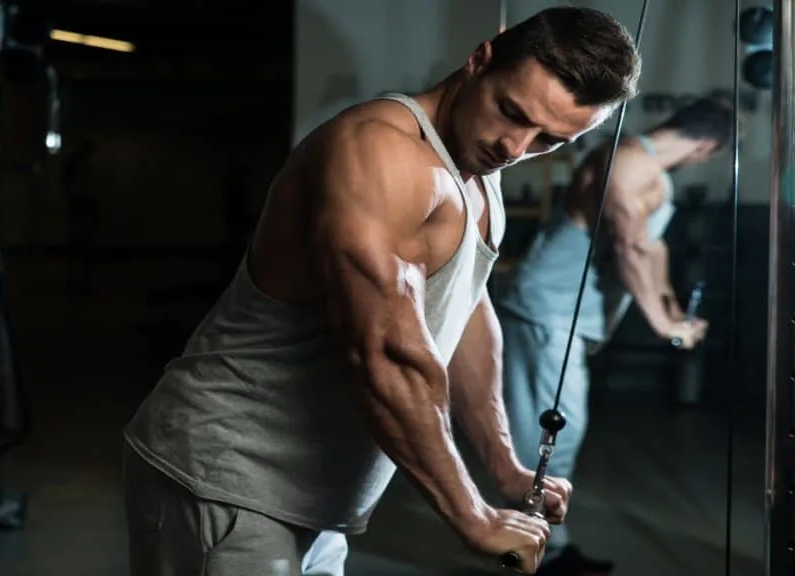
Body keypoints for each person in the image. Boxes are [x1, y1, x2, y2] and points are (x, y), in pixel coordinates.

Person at [122, 7, 641, 575]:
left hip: (316, 495)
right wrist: (471, 515)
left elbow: (464, 312)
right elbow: (386, 354)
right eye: (511, 113)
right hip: (226, 475)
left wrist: (504, 465)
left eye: (549, 140)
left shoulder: (480, 169)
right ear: (479, 60)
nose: (516, 147)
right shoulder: (382, 151)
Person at [495, 96, 733, 574]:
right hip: (546, 312)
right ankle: (525, 554)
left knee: (558, 435)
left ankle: (551, 547)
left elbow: (652, 247)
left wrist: (674, 310)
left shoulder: (653, 177)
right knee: (547, 436)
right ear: (707, 146)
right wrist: (665, 328)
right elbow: (627, 247)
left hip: (569, 319)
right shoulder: (623, 162)